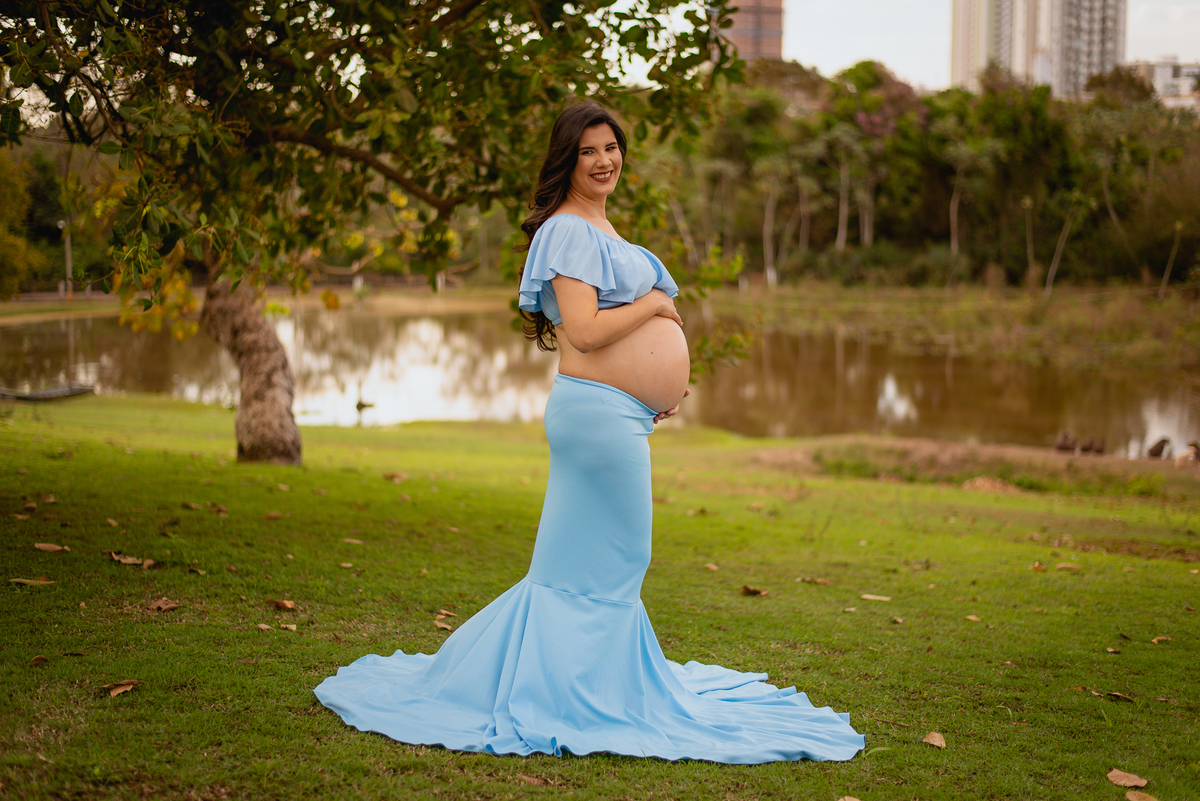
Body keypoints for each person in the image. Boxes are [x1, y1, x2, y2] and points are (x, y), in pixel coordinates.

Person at [313, 102, 865, 763]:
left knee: (583, 563)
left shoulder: (599, 225)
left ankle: (572, 684)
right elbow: (585, 332)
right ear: (566, 160)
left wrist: (654, 390)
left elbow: (612, 335)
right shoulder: (570, 230)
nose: (604, 159)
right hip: (595, 414)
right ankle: (573, 693)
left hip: (614, 413)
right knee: (618, 557)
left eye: (612, 147)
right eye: (588, 150)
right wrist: (658, 307)